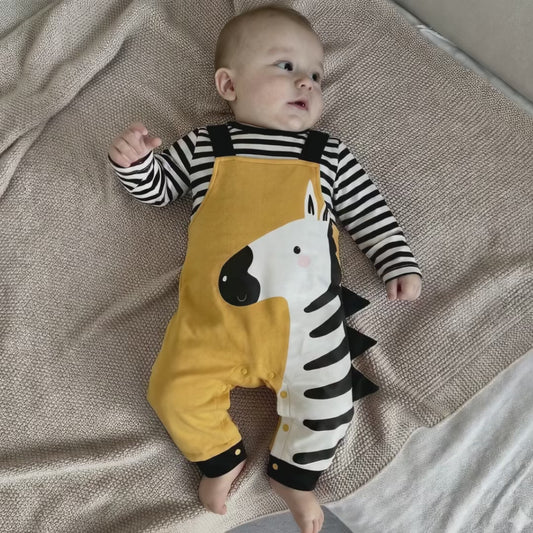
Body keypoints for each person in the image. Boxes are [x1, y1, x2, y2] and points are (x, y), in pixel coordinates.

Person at [108, 5, 422, 533]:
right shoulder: (209, 145)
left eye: (316, 75)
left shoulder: (328, 154)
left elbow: (370, 213)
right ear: (228, 85)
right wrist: (135, 164)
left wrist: (397, 260)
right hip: (213, 326)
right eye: (286, 66)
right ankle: (219, 458)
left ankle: (293, 477)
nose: (307, 82)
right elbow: (159, 192)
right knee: (171, 392)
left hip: (306, 334)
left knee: (332, 405)